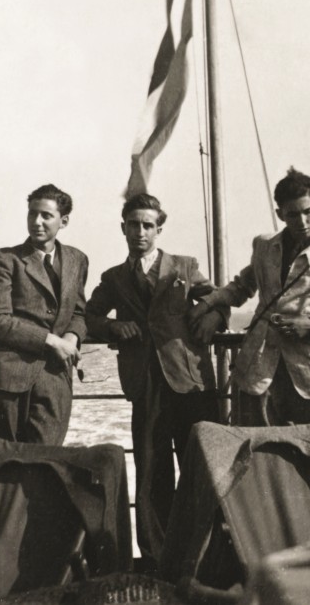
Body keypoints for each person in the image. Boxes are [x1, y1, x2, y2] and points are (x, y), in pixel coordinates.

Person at [86, 193, 224, 568]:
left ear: (159, 229)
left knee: (201, 466)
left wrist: (214, 317)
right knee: (151, 472)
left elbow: (218, 299)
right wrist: (113, 325)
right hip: (144, 384)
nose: (140, 232)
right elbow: (88, 316)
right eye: (134, 224)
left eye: (148, 225)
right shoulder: (114, 277)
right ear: (123, 228)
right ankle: (159, 560)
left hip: (190, 381)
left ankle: (209, 556)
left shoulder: (183, 266)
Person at [190, 167, 310, 427]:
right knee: (256, 454)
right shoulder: (264, 246)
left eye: (308, 212)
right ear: (280, 213)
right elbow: (241, 287)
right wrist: (208, 302)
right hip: (257, 372)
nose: (302, 221)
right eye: (293, 214)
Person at [0, 184, 88, 446]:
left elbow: (80, 312)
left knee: (46, 465)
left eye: (46, 216)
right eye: (32, 214)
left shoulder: (77, 260)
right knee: (1, 466)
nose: (37, 222)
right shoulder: (5, 259)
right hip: (5, 381)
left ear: (64, 220)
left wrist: (72, 337)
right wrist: (50, 340)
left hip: (54, 380)